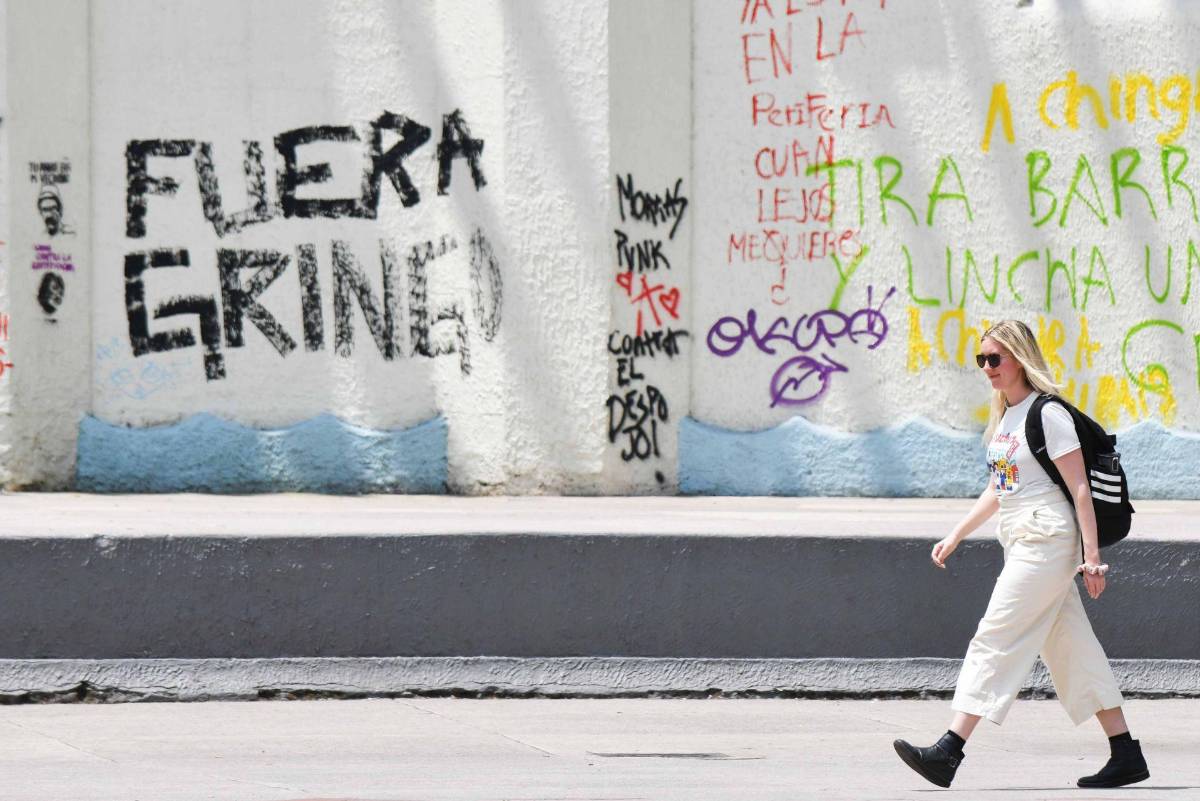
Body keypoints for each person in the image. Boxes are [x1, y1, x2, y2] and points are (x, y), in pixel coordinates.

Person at [892, 319, 1149, 789]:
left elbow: (1080, 489)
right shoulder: (1008, 416)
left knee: (995, 634)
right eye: (981, 359)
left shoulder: (1048, 413)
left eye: (995, 358)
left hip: (1047, 540)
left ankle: (949, 750)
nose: (987, 367)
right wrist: (957, 534)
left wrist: (1092, 558)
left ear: (1020, 358)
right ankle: (1126, 752)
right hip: (1022, 539)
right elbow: (999, 487)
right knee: (1071, 646)